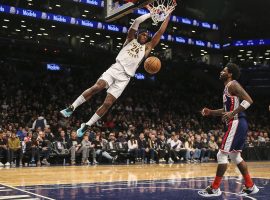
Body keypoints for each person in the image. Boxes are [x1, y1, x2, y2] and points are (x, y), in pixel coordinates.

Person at [60, 10, 174, 137]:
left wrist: (167, 17)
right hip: (116, 68)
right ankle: (71, 107)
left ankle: (87, 125)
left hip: (125, 78)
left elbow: (160, 33)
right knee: (98, 87)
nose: (146, 37)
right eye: (143, 35)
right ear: (138, 34)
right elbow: (136, 21)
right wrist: (151, 15)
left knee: (108, 103)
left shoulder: (147, 48)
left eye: (147, 36)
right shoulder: (130, 39)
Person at [198, 63, 259, 197]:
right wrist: (210, 112)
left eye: (224, 70)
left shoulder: (233, 85)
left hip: (237, 122)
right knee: (235, 156)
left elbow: (249, 100)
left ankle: (214, 188)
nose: (221, 71)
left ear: (230, 74)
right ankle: (250, 186)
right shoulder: (227, 87)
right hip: (238, 122)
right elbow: (226, 111)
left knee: (222, 155)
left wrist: (233, 113)